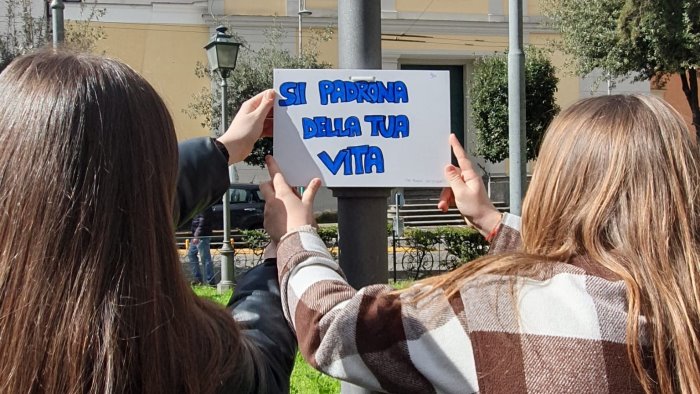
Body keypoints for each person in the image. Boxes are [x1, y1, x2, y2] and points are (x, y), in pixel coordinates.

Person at [262, 94, 700, 393]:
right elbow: (594, 267)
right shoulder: (680, 305)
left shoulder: (492, 310)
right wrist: (492, 222)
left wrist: (295, 236)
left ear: (556, 184)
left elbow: (332, 330)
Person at [0, 50, 295, 393]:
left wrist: (224, 149)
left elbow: (114, 205)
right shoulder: (182, 354)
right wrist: (280, 257)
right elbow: (261, 365)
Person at [188, 206, 215, 285]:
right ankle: (198, 279)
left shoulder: (205, 205)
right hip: (197, 235)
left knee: (205, 259)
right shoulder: (200, 204)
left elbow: (203, 221)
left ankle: (210, 281)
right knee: (191, 254)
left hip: (202, 235)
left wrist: (197, 235)